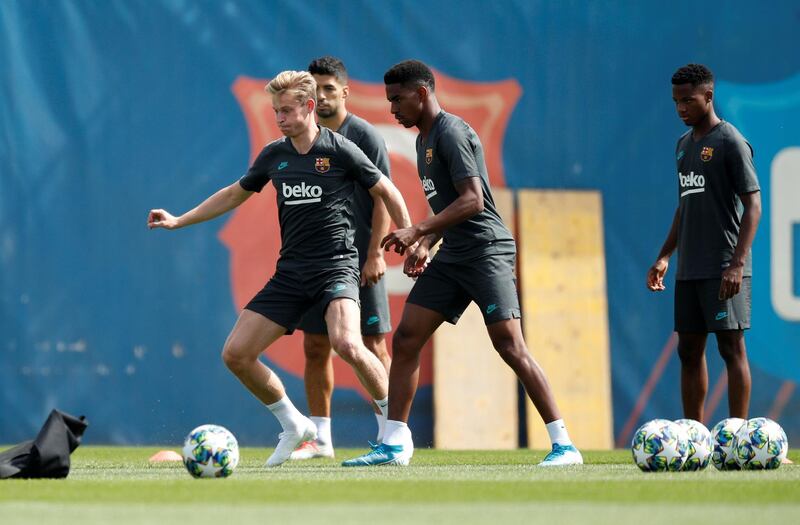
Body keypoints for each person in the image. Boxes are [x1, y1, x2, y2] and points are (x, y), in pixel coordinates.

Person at [147, 70, 414, 467]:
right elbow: (234, 193)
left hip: (337, 268)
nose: (280, 118)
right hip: (291, 273)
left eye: (287, 110)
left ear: (309, 108)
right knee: (236, 354)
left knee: (347, 342)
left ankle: (396, 435)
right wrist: (179, 220)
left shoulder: (340, 149)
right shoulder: (275, 155)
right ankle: (294, 424)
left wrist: (411, 236)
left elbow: (386, 191)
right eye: (276, 111)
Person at [342, 60, 583, 467]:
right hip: (453, 254)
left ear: (420, 94)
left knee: (510, 346)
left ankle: (564, 446)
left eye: (397, 100)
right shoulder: (423, 141)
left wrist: (416, 231)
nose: (392, 110)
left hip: (487, 251)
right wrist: (429, 243)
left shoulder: (452, 132)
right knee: (406, 339)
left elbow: (473, 201)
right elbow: (452, 207)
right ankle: (396, 444)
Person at [290, 56, 393, 460]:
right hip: (316, 262)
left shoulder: (364, 136)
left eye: (329, 88)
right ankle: (321, 441)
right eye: (314, 88)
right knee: (316, 347)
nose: (321, 95)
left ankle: (391, 432)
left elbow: (383, 194)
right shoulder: (303, 138)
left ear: (345, 92)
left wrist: (374, 253)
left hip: (359, 262)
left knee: (372, 344)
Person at [647, 63, 761, 422]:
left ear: (708, 96)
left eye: (688, 100)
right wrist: (665, 255)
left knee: (731, 348)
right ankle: (694, 437)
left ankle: (739, 436)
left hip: (724, 266)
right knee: (689, 350)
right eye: (676, 101)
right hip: (690, 268)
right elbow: (686, 204)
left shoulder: (730, 141)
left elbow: (754, 204)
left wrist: (738, 263)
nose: (681, 108)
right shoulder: (683, 146)